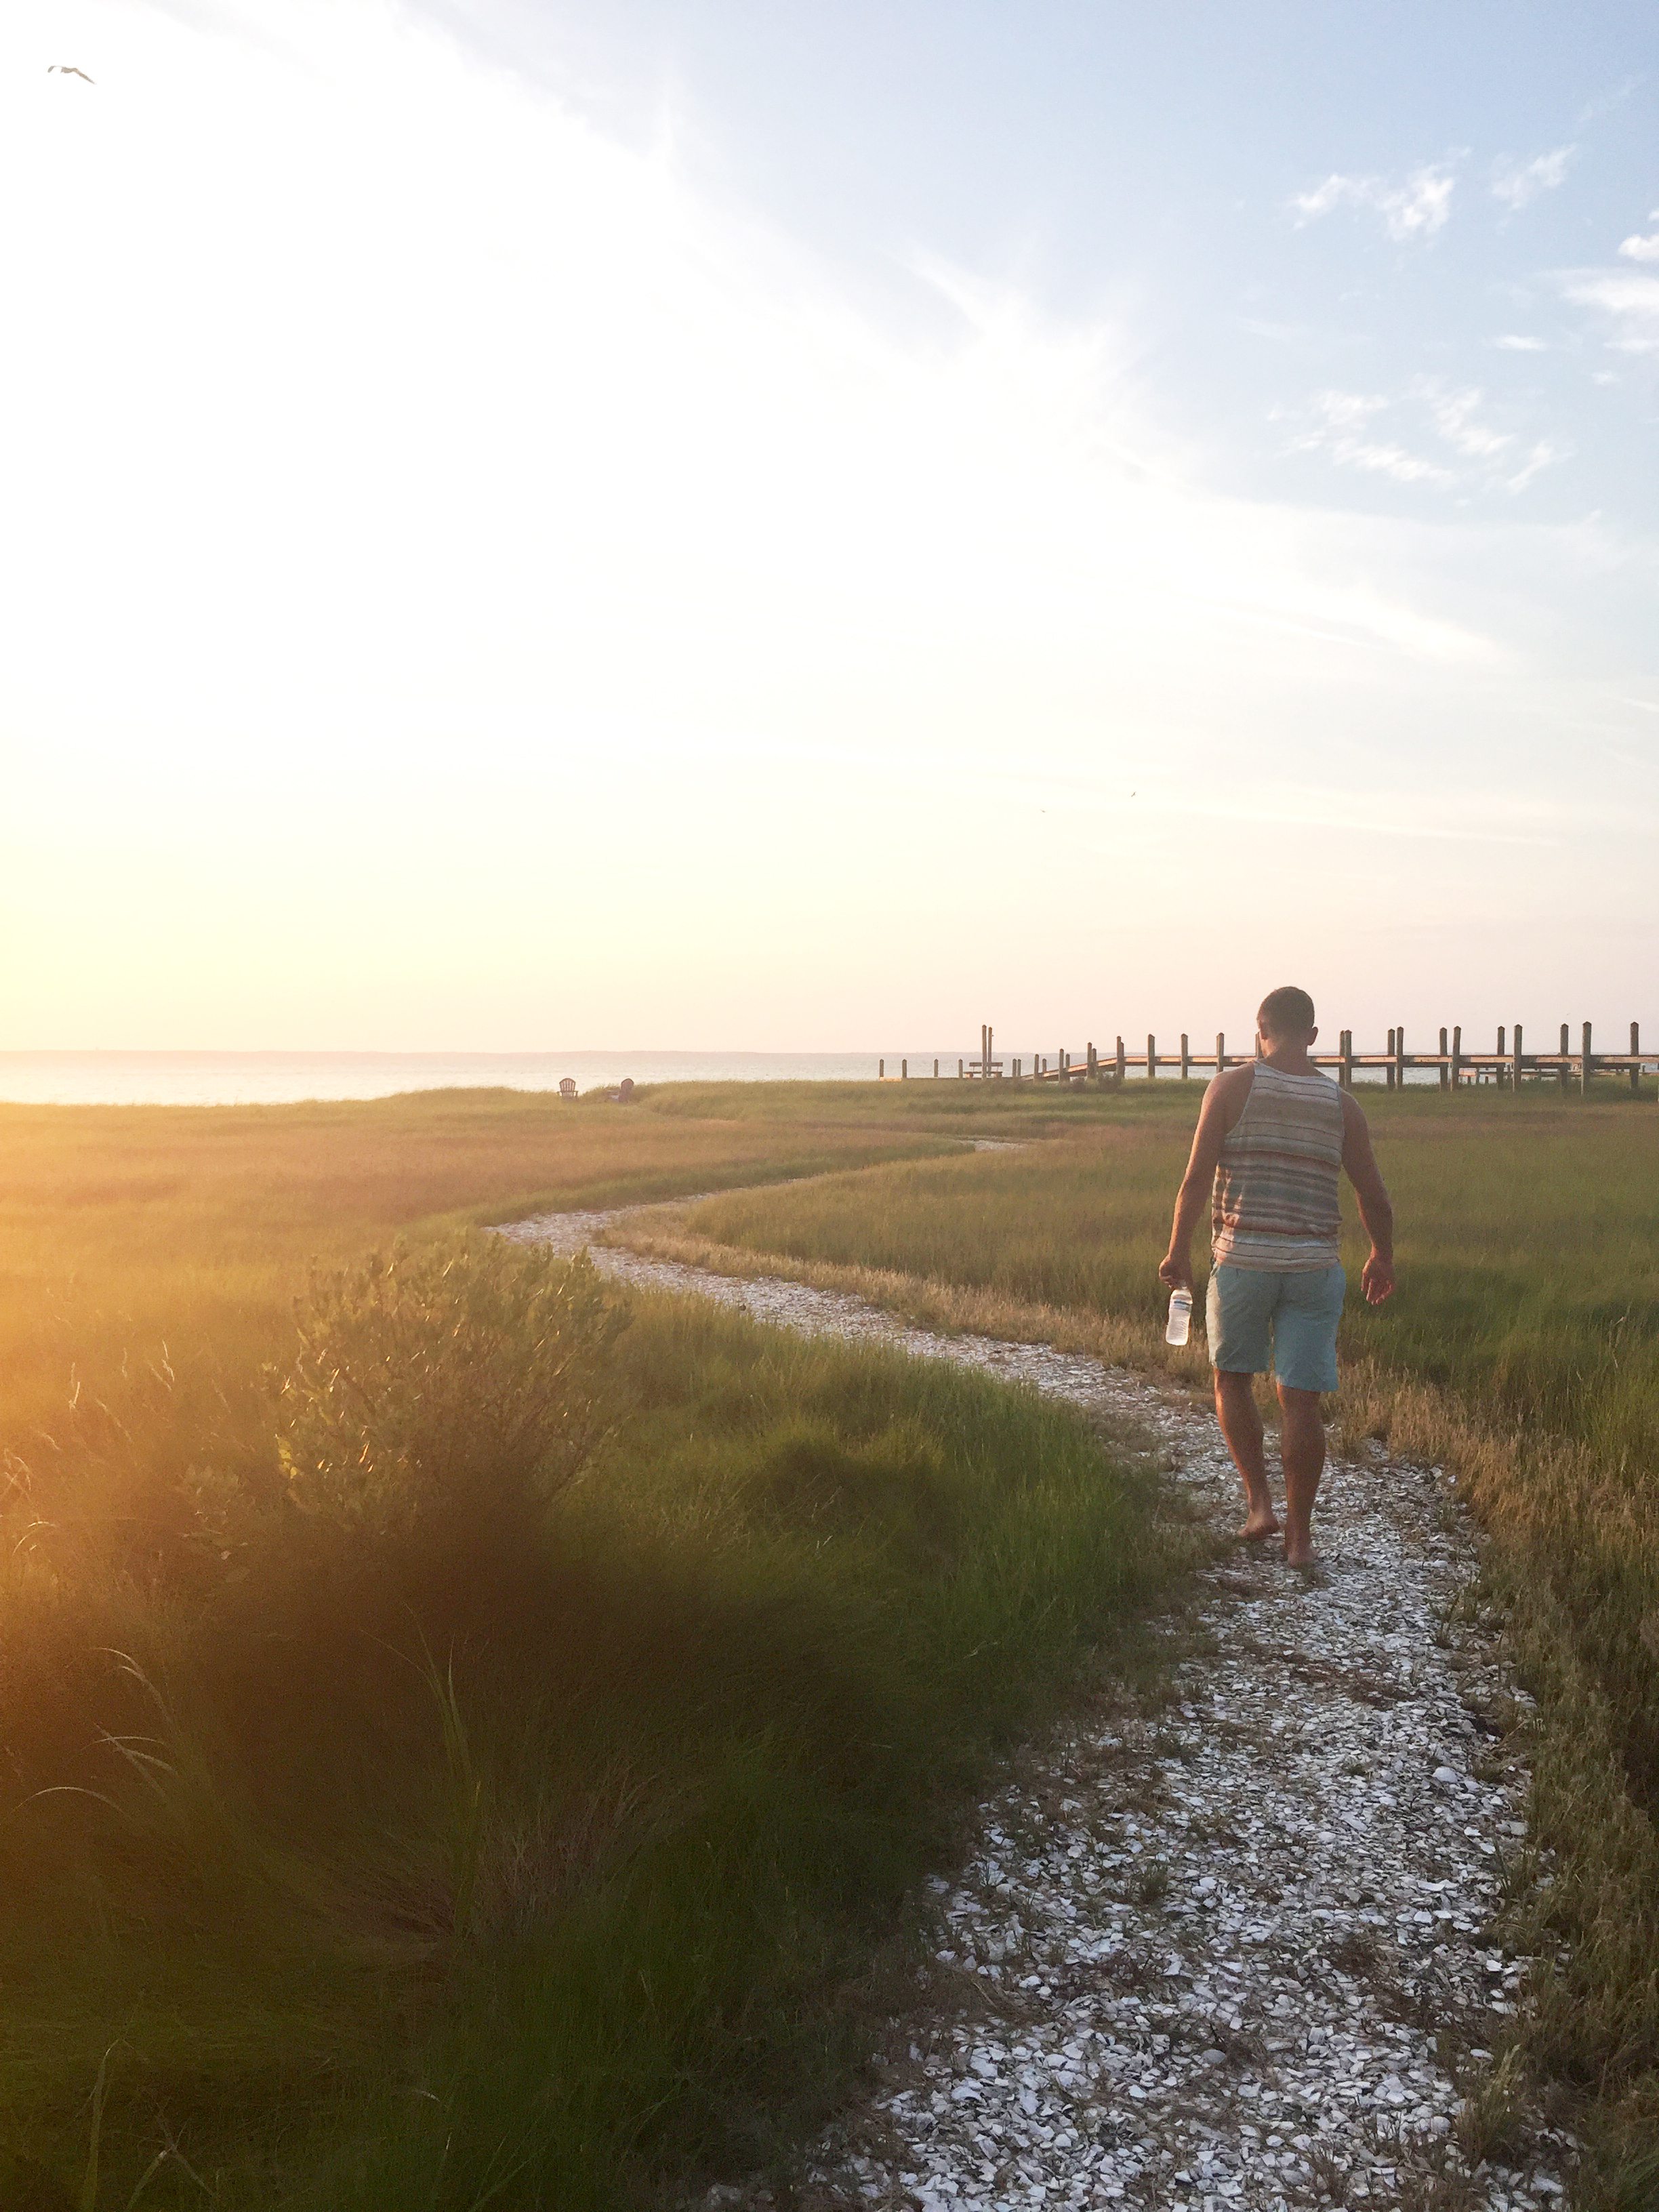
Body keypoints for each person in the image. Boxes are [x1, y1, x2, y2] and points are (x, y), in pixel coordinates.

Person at [1158, 985, 1394, 1568]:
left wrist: (1177, 1252)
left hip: (1242, 1262)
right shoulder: (1343, 1105)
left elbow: (1194, 1180)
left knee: (1232, 1380)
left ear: (1258, 1029)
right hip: (1315, 1269)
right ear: (1314, 1035)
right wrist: (1381, 1256)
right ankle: (1300, 1538)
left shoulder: (1230, 1088)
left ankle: (1260, 1505)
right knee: (1301, 1403)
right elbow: (1372, 1193)